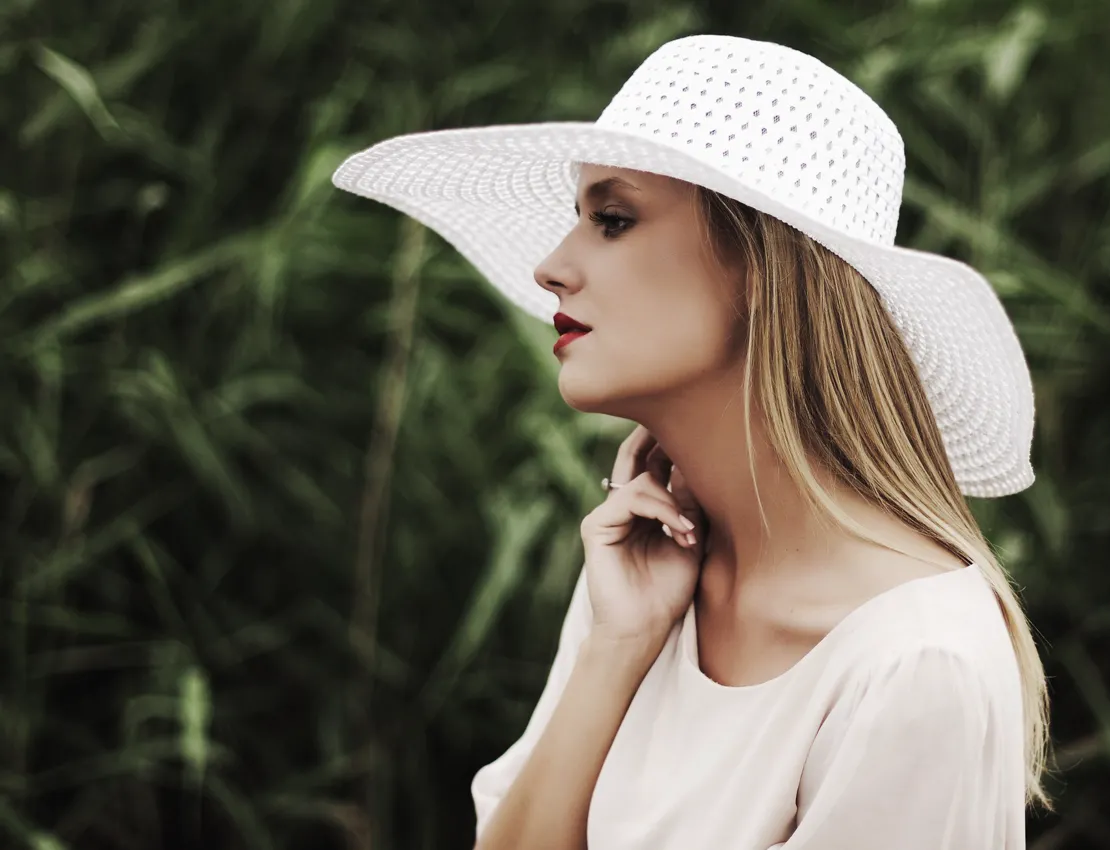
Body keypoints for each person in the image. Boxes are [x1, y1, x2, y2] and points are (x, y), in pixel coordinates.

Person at [332, 33, 1050, 850]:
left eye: (611, 219)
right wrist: (619, 646)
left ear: (760, 268)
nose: (551, 267)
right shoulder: (646, 575)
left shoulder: (917, 666)